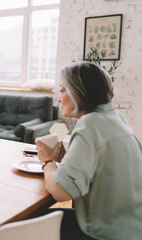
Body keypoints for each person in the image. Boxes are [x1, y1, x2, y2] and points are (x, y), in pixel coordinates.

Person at [35, 62, 142, 240]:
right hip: (132, 228)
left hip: (103, 233)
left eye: (62, 90)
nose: (59, 99)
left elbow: (61, 192)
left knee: (29, 222)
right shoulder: (116, 118)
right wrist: (66, 158)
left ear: (78, 92)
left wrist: (47, 162)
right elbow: (103, 166)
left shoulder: (89, 124)